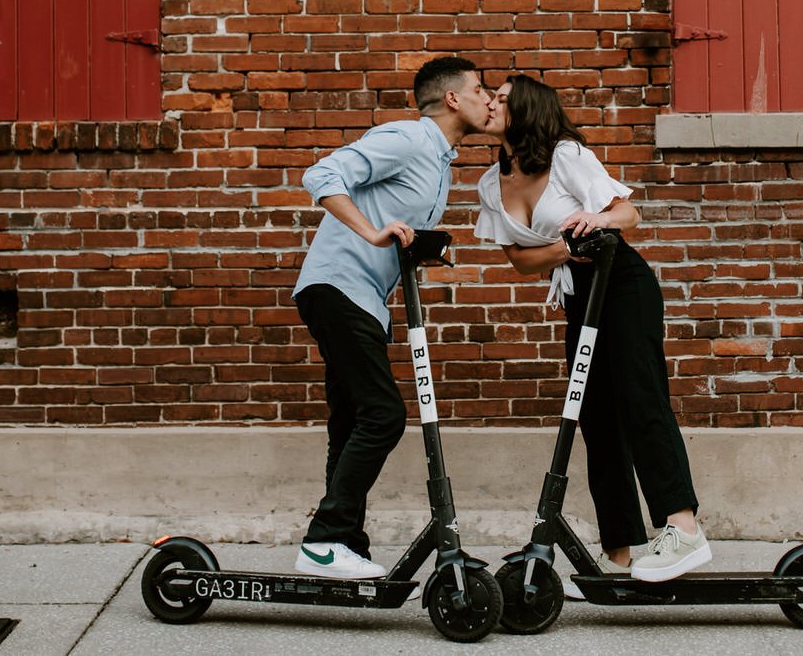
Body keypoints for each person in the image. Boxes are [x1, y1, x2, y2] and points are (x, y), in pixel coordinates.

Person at [474, 74, 708, 585]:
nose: (490, 103)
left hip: (621, 284)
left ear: (528, 108)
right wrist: (564, 249)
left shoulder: (566, 156)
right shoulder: (491, 182)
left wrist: (597, 223)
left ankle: (683, 529)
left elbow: (629, 212)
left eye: (502, 98)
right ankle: (620, 552)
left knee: (640, 398)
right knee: (597, 419)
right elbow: (518, 260)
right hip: (579, 296)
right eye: (489, 96)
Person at [292, 56, 492, 579]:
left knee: (353, 420)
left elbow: (394, 221)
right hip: (339, 286)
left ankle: (343, 545)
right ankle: (324, 540)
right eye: (480, 89)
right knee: (383, 416)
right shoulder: (409, 139)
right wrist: (370, 232)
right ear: (453, 98)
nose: (488, 98)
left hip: (361, 298)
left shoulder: (440, 163)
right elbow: (322, 174)